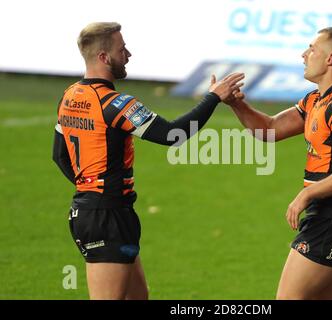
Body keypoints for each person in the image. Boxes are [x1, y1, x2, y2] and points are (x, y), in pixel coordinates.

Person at [52, 22, 244, 300]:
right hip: (107, 216)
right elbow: (173, 135)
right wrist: (213, 98)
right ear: (104, 58)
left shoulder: (70, 96)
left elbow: (59, 156)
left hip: (101, 211)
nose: (128, 54)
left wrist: (91, 191)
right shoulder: (114, 104)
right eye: (122, 49)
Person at [226, 27, 332, 300]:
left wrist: (308, 192)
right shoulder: (316, 100)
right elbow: (269, 129)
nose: (304, 55)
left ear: (330, 59)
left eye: (312, 48)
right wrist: (238, 105)